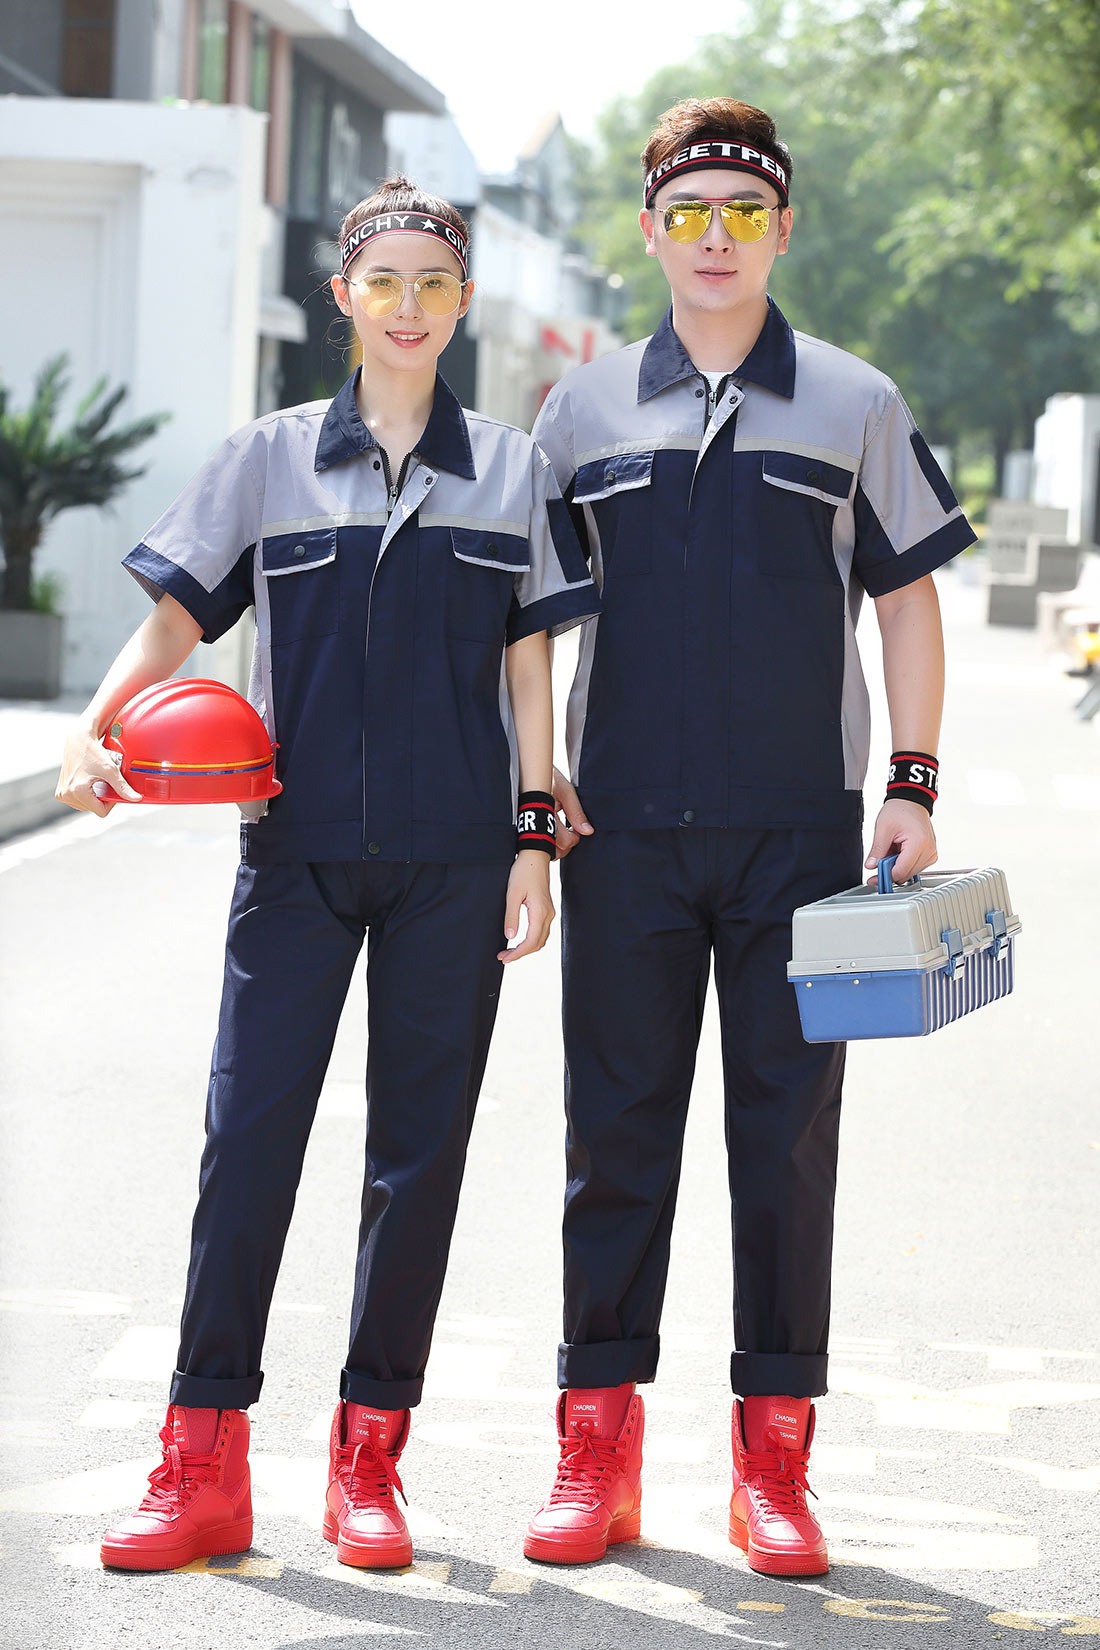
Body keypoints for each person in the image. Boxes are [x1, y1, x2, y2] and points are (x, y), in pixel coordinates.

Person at [56, 177, 599, 1574]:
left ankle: (370, 1461)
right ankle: (202, 1461)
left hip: (454, 859)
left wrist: (532, 837)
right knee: (248, 1140)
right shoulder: (267, 458)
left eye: (435, 282)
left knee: (417, 1160)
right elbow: (175, 620)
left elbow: (529, 660)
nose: (409, 306)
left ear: (463, 303)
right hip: (293, 857)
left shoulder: (512, 471)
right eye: (385, 281)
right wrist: (96, 722)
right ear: (343, 297)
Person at [523, 99, 974, 1576]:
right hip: (622, 833)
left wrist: (911, 783)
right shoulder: (582, 411)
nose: (714, 237)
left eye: (743, 212)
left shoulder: (854, 399)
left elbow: (908, 598)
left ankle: (775, 1465)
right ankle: (596, 1450)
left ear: (783, 230)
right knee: (613, 1140)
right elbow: (527, 620)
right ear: (651, 232)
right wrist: (533, 789)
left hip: (801, 837)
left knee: (786, 1146)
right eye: (688, 212)